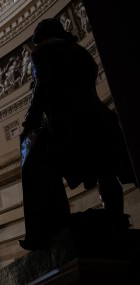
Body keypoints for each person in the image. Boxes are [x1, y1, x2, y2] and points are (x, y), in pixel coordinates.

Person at [18, 18, 136, 250]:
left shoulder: (42, 52)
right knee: (105, 170)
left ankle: (47, 226)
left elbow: (42, 87)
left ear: (41, 37)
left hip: (68, 122)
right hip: (100, 117)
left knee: (34, 161)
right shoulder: (81, 52)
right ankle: (116, 217)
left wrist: (30, 120)